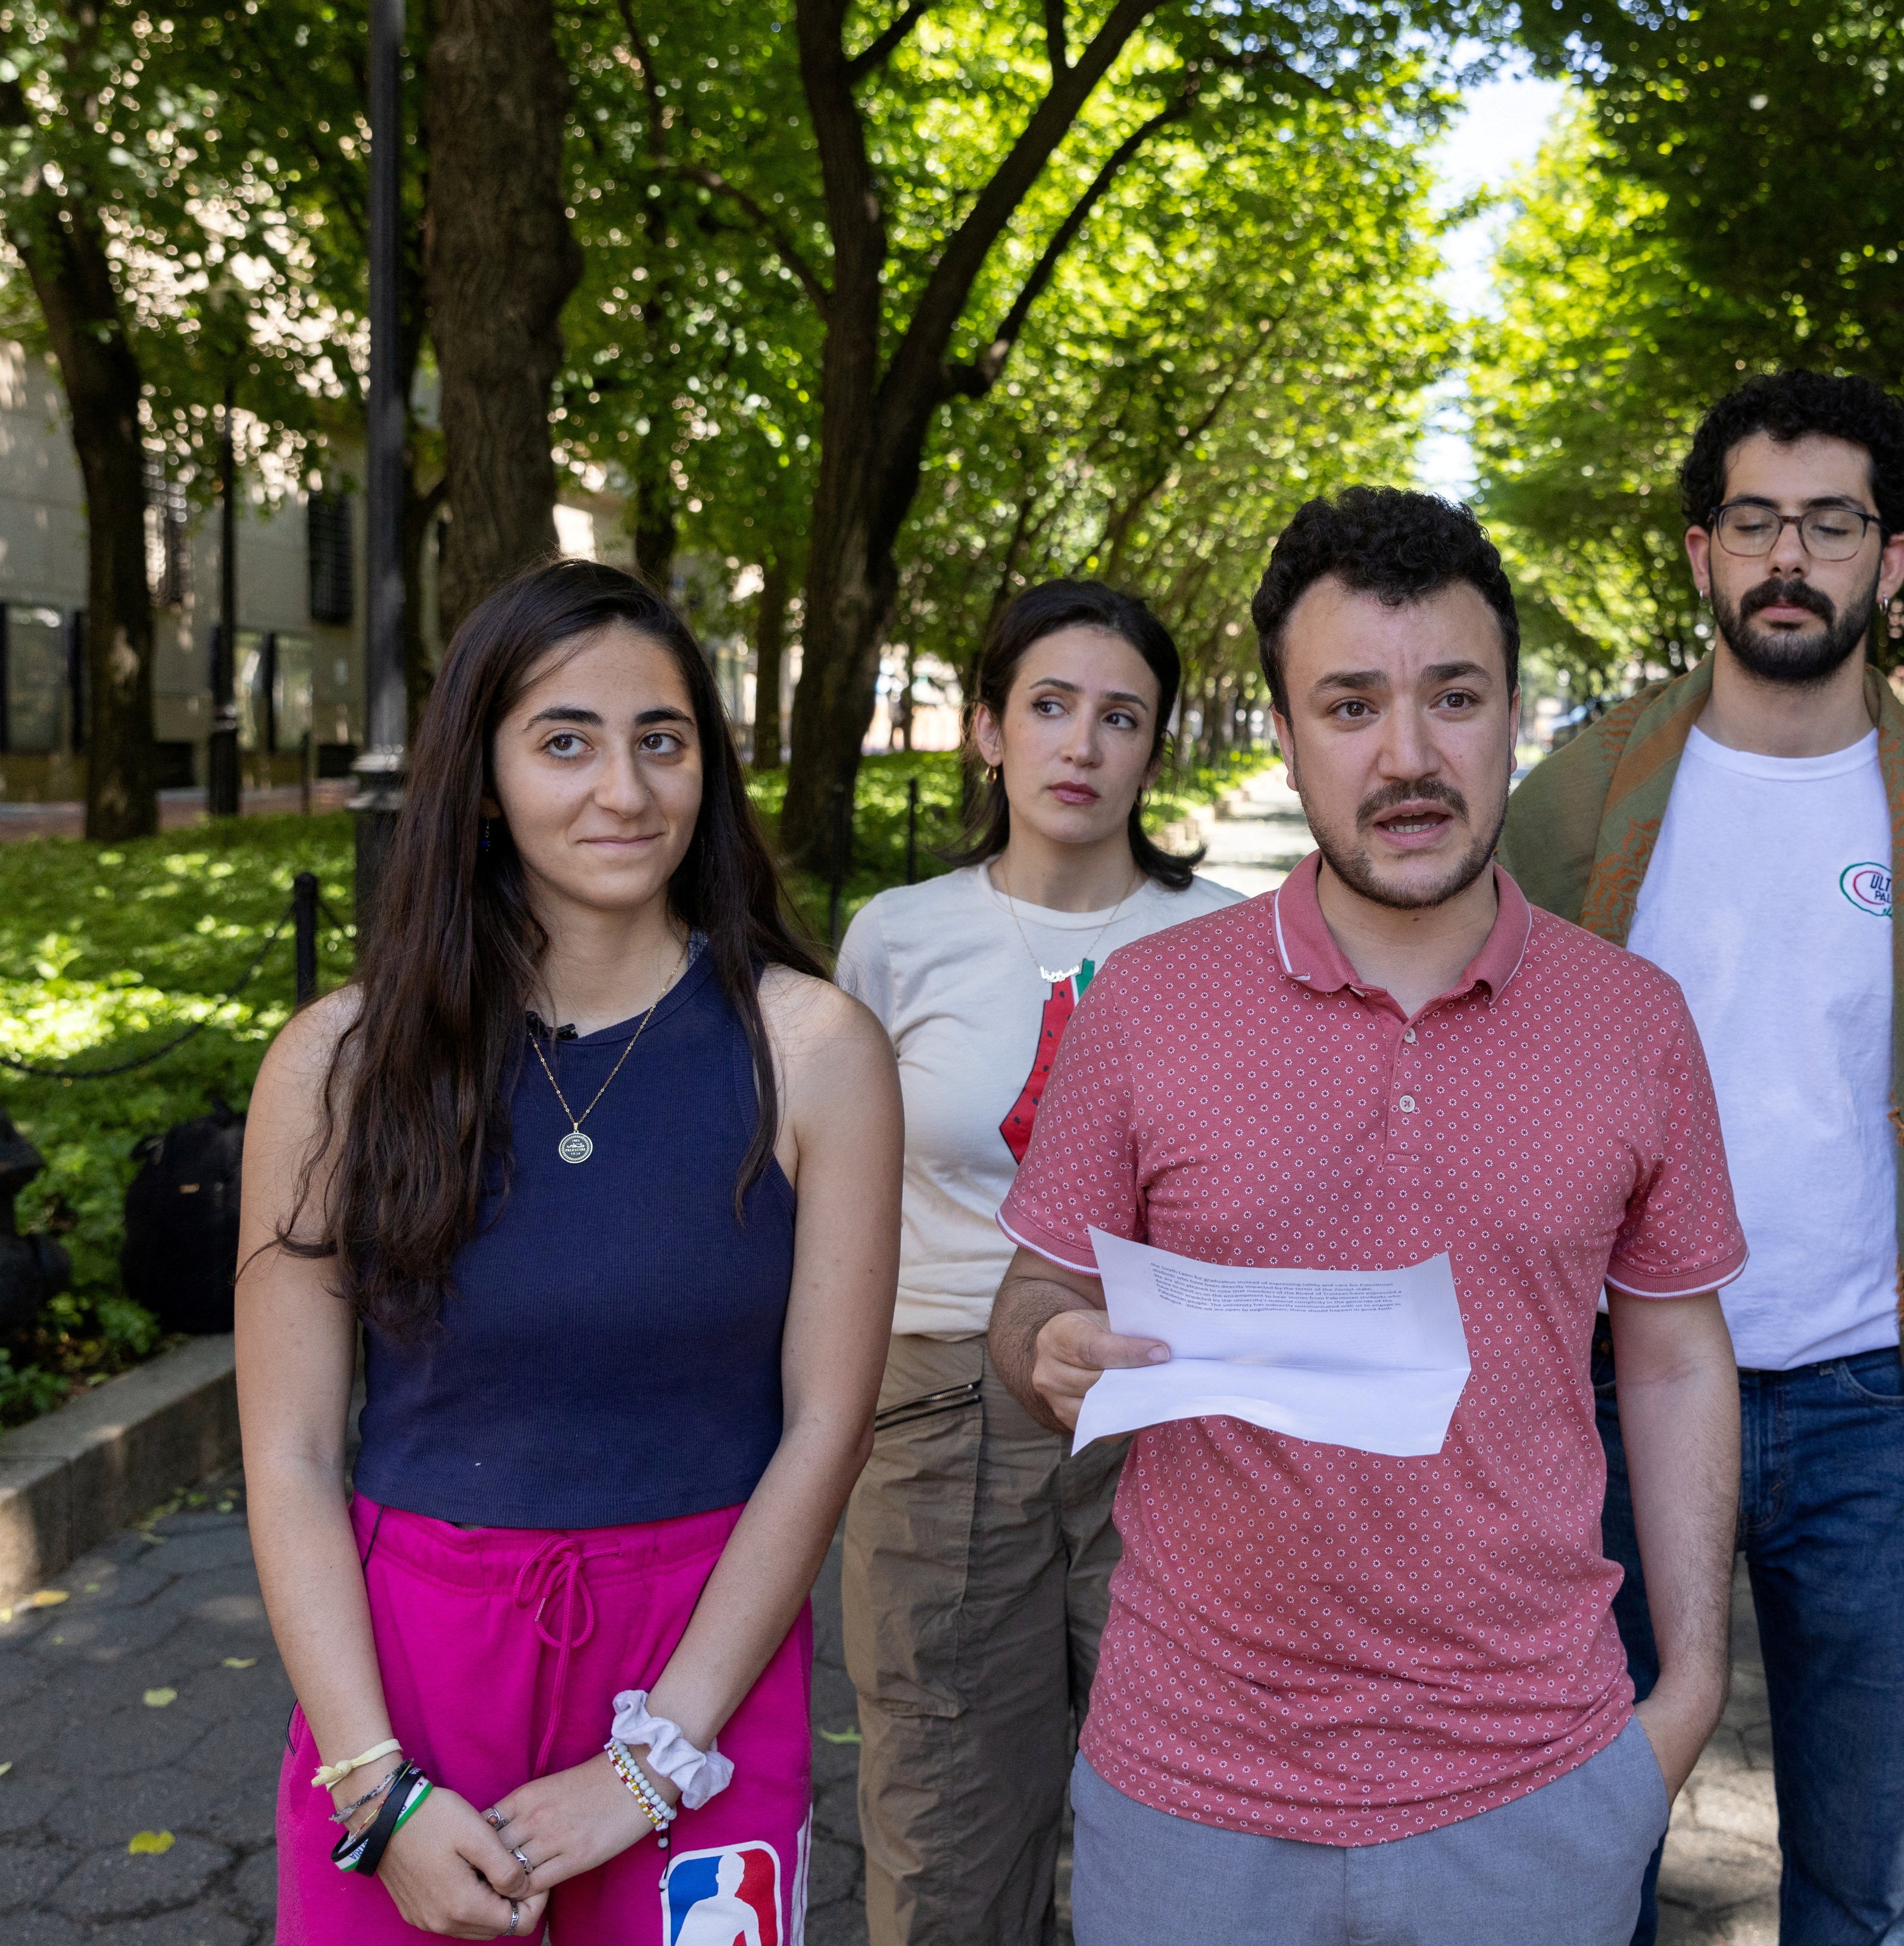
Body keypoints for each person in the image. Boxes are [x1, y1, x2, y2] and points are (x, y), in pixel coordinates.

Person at [988, 486, 1750, 1946]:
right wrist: (1054, 1348)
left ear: (1513, 711)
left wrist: (1689, 1692)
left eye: (1451, 696)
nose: (1407, 754)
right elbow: (1027, 1302)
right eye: (1349, 704)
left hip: (1537, 1783)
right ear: (1283, 732)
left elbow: (1670, 1355)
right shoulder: (1148, 1003)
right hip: (1189, 1787)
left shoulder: (1635, 1020)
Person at [1502, 368, 1904, 1945]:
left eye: (1827, 524)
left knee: (1859, 1883)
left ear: (1886, 563)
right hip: (1602, 1399)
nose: (1788, 557)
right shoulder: (1577, 802)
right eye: (1753, 522)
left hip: (1858, 1416)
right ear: (1700, 553)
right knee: (1579, 1855)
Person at [237, 560, 900, 1943]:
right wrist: (378, 1789)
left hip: (699, 1663)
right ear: (480, 778)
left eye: (661, 739)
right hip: (404, 1671)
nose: (625, 788)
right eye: (564, 740)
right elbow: (289, 1453)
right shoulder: (339, 1066)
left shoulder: (814, 1051)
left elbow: (825, 1425)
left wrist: (655, 1758)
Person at [833, 580, 1239, 1946]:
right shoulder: (897, 937)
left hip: (1173, 1415)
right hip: (943, 1418)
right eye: (1049, 706)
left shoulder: (1234, 938)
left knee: (1185, 1829)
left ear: (1153, 745)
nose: (1082, 745)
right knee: (950, 1842)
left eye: (1119, 716)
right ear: (985, 731)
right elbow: (833, 1206)